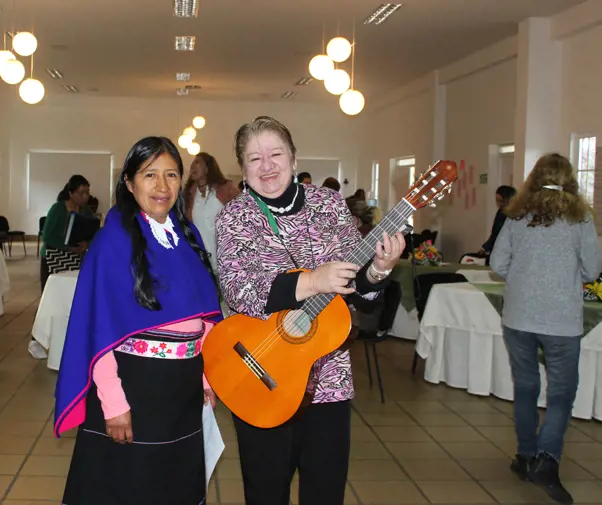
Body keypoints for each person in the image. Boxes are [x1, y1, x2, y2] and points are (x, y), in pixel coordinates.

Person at [214, 116, 404, 505]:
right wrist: (313, 281)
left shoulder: (329, 205)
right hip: (261, 372)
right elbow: (238, 290)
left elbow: (354, 288)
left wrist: (379, 270)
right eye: (254, 158)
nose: (267, 166)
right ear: (243, 171)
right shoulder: (234, 217)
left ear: (294, 158)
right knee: (266, 491)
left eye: (275, 154)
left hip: (327, 379)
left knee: (325, 490)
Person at [54, 137, 222, 505]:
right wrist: (113, 403)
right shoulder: (113, 240)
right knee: (129, 488)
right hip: (134, 389)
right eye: (150, 175)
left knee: (173, 488)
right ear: (129, 183)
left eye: (172, 175)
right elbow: (98, 328)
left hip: (182, 392)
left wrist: (208, 376)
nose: (163, 187)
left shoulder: (187, 235)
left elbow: (205, 316)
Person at [490, 153, 597, 505]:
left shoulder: (516, 215)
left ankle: (524, 456)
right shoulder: (580, 218)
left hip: (519, 316)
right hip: (561, 319)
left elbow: (497, 262)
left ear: (534, 178)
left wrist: (524, 280)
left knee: (526, 388)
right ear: (569, 179)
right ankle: (547, 460)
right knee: (562, 393)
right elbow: (592, 270)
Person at [183, 152, 238, 273]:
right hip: (202, 264)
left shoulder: (226, 189)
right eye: (192, 163)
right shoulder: (189, 196)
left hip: (230, 261)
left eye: (197, 162)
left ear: (207, 168)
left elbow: (243, 216)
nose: (192, 166)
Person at [39, 175, 93, 292]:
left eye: (87, 192)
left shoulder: (87, 211)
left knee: (72, 290)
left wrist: (86, 244)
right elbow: (47, 236)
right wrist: (68, 247)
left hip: (76, 257)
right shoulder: (58, 209)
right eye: (81, 193)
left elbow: (91, 234)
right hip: (53, 256)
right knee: (54, 291)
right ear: (71, 193)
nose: (86, 196)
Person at [479, 185, 517, 256]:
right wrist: (485, 247)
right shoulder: (500, 213)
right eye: (497, 201)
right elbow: (495, 234)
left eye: (502, 201)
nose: (499, 204)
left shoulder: (517, 215)